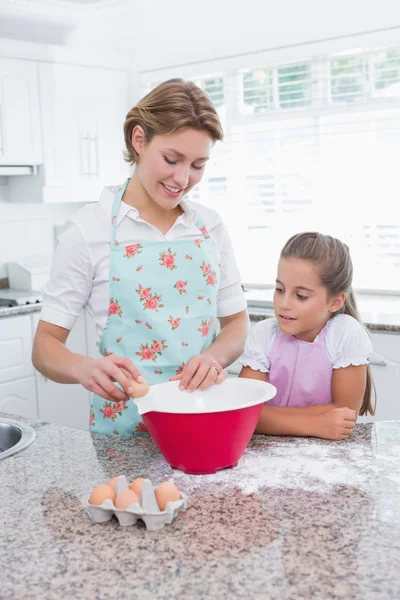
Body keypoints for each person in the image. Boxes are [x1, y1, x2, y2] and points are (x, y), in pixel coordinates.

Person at [32, 79, 248, 437]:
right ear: (139, 140)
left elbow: (237, 324)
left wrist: (213, 358)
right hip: (125, 433)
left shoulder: (209, 226)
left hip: (205, 416)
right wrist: (86, 369)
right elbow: (44, 348)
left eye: (198, 164)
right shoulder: (88, 230)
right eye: (172, 159)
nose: (183, 178)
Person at [239, 231, 375, 441]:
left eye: (301, 296)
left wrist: (268, 416)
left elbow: (344, 418)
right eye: (279, 289)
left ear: (335, 302)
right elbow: (244, 412)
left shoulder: (345, 334)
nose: (284, 303)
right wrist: (315, 423)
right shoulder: (263, 334)